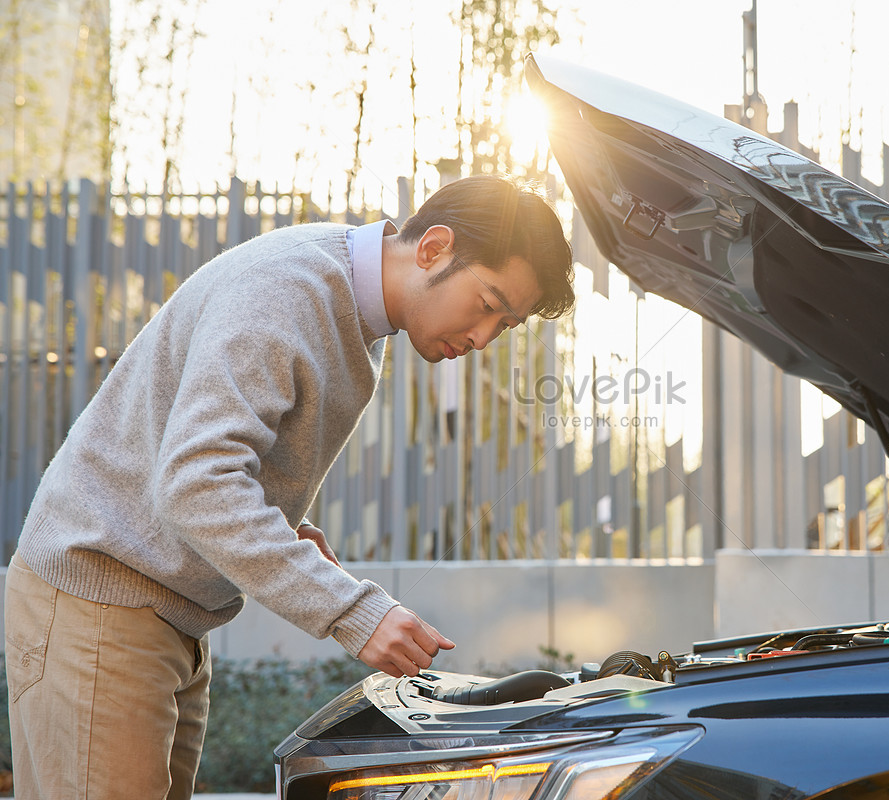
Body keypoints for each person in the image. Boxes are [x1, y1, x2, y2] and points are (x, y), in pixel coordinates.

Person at [3, 174, 575, 799]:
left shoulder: (350, 310)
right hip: (102, 600)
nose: (483, 337)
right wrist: (350, 609)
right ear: (434, 248)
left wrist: (288, 529)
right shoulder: (289, 291)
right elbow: (197, 482)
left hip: (165, 612)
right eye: (488, 303)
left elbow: (206, 453)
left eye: (507, 324)